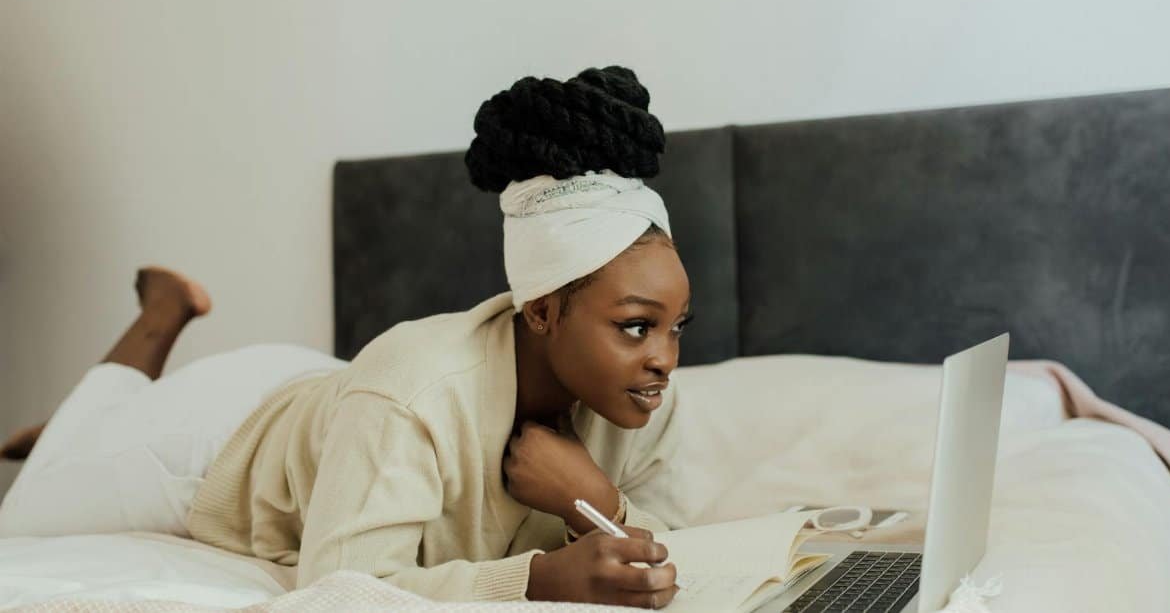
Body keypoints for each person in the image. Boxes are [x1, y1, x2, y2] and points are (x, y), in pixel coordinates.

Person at [0, 66, 690, 608]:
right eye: (635, 326)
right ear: (541, 310)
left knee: (75, 439)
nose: (663, 357)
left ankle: (76, 422)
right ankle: (159, 314)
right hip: (222, 440)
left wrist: (596, 500)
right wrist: (537, 579)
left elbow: (678, 552)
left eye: (674, 327)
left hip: (340, 409)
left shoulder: (642, 395)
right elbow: (339, 589)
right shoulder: (413, 394)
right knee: (28, 504)